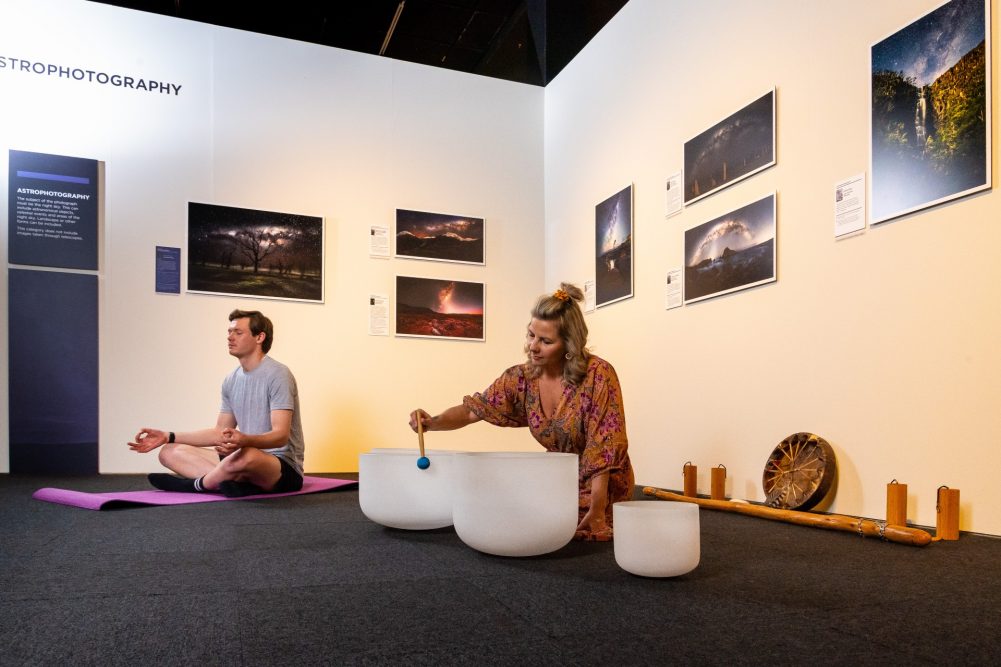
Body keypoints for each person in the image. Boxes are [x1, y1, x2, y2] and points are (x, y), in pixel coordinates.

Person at [409, 283, 634, 541]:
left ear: (569, 346)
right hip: (558, 480)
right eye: (531, 335)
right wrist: (431, 422)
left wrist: (596, 511)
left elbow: (602, 449)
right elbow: (473, 410)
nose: (533, 347)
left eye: (546, 341)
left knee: (549, 528)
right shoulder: (521, 378)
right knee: (503, 506)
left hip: (602, 489)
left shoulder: (598, 376)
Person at [127, 309, 305, 497]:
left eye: (238, 332)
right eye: (229, 332)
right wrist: (167, 436)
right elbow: (219, 433)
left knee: (247, 455)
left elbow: (280, 436)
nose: (230, 337)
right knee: (169, 452)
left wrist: (244, 440)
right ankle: (234, 484)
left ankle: (198, 485)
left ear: (260, 337)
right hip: (239, 457)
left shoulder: (278, 374)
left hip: (280, 468)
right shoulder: (231, 380)